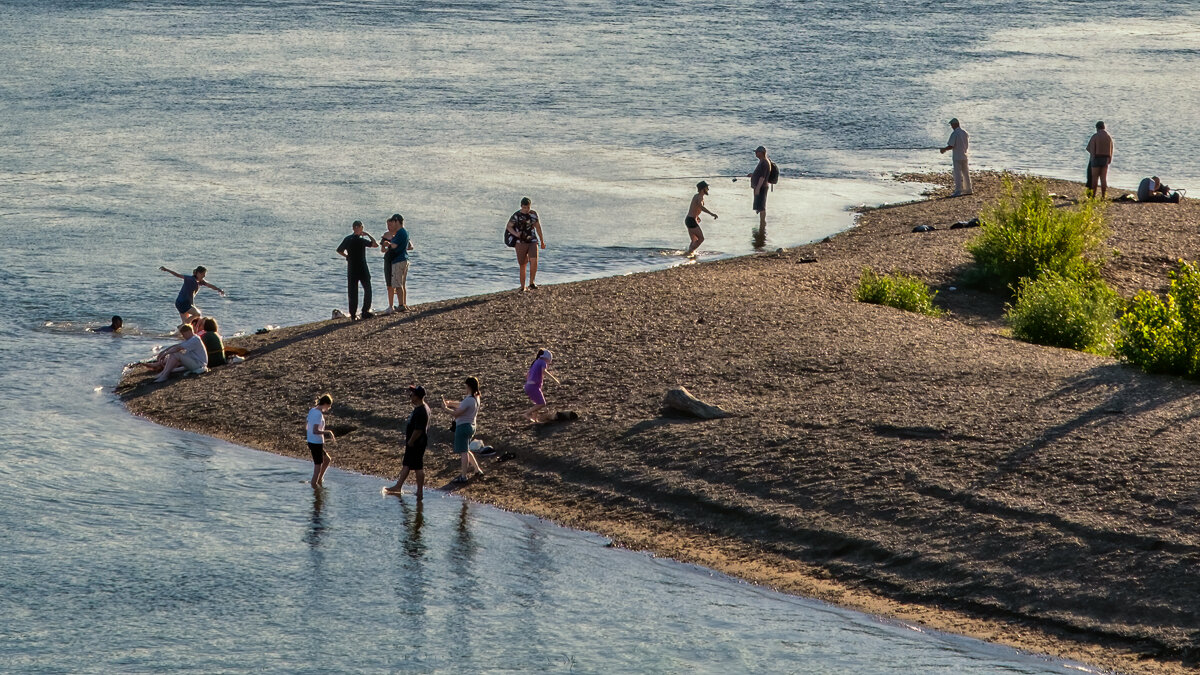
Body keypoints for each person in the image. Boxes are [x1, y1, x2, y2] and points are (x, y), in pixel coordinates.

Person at [385, 386, 430, 498]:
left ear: (417, 397)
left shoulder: (421, 411)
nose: (410, 397)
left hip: (416, 442)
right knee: (407, 464)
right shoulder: (421, 408)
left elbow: (419, 430)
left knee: (418, 467)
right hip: (416, 442)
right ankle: (399, 486)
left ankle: (419, 491)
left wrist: (411, 441)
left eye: (412, 395)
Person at [443, 377, 484, 484]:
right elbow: (462, 405)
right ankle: (477, 470)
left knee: (463, 452)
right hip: (471, 426)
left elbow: (456, 413)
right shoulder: (475, 398)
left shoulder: (469, 399)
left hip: (463, 427)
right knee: (466, 450)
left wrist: (445, 408)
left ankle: (463, 476)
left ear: (468, 386)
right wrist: (450, 403)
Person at [336, 220, 378, 321]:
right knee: (365, 289)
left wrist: (347, 256)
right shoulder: (360, 239)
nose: (360, 229)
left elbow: (339, 250)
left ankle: (355, 314)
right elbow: (375, 244)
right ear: (358, 228)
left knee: (354, 291)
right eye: (360, 228)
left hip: (353, 267)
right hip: (361, 267)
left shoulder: (349, 239)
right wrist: (368, 234)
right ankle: (363, 312)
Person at [506, 197, 546, 291]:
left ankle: (531, 283)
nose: (526, 209)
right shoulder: (516, 215)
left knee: (534, 260)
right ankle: (523, 286)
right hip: (520, 242)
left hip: (532, 241)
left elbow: (538, 227)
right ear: (521, 206)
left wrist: (542, 241)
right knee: (523, 264)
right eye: (524, 207)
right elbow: (509, 226)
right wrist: (516, 234)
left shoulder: (533, 214)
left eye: (528, 207)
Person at [161, 265, 225, 323]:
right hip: (182, 303)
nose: (204, 276)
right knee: (197, 314)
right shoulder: (189, 279)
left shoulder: (201, 282)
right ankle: (182, 327)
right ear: (198, 273)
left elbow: (210, 285)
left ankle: (177, 334)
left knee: (187, 323)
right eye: (203, 274)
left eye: (204, 274)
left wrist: (219, 289)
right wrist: (166, 269)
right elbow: (178, 275)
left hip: (184, 303)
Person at [379, 213, 414, 312]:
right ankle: (403, 304)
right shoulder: (405, 232)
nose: (392, 225)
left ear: (397, 221)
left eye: (393, 222)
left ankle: (401, 305)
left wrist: (388, 244)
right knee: (401, 284)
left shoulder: (400, 232)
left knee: (398, 284)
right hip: (404, 259)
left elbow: (394, 246)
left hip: (398, 260)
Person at [307, 393, 336, 488]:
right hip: (316, 443)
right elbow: (315, 430)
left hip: (312, 441)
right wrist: (328, 432)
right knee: (317, 468)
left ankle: (319, 479)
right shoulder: (318, 414)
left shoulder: (312, 410)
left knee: (327, 459)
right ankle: (315, 488)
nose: (328, 408)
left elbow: (307, 426)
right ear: (325, 404)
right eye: (329, 406)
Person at [522, 349, 559, 422]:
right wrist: (554, 379)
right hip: (534, 386)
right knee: (542, 403)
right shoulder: (542, 362)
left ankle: (534, 419)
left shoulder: (535, 362)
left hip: (529, 386)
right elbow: (543, 371)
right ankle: (527, 413)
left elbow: (527, 375)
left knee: (537, 403)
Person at [684, 181, 718, 257]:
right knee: (701, 239)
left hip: (690, 219)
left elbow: (695, 208)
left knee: (694, 240)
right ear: (703, 189)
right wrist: (712, 214)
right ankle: (689, 252)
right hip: (691, 220)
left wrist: (697, 216)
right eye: (707, 188)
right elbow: (700, 207)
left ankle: (689, 254)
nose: (708, 189)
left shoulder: (697, 196)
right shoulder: (699, 196)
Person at [940, 118, 971, 197]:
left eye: (952, 125)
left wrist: (944, 149)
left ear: (955, 125)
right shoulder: (965, 133)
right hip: (965, 156)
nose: (951, 127)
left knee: (957, 174)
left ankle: (958, 191)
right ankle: (968, 190)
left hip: (957, 157)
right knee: (966, 173)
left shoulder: (954, 134)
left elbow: (951, 145)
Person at [1087, 121, 1114, 199]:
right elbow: (1111, 148)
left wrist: (1092, 158)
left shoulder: (1095, 136)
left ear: (1097, 128)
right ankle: (1103, 196)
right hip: (1105, 158)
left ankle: (1093, 196)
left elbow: (1090, 148)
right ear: (1104, 127)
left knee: (1094, 178)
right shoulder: (1108, 137)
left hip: (1096, 158)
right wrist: (1110, 158)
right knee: (1103, 178)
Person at [747, 146, 771, 227]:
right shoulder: (762, 161)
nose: (755, 153)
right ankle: (762, 223)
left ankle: (762, 223)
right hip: (760, 187)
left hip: (762, 187)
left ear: (761, 153)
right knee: (760, 207)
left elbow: (762, 177)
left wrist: (758, 188)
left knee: (762, 207)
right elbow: (759, 174)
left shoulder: (764, 162)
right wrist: (753, 175)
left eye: (757, 152)